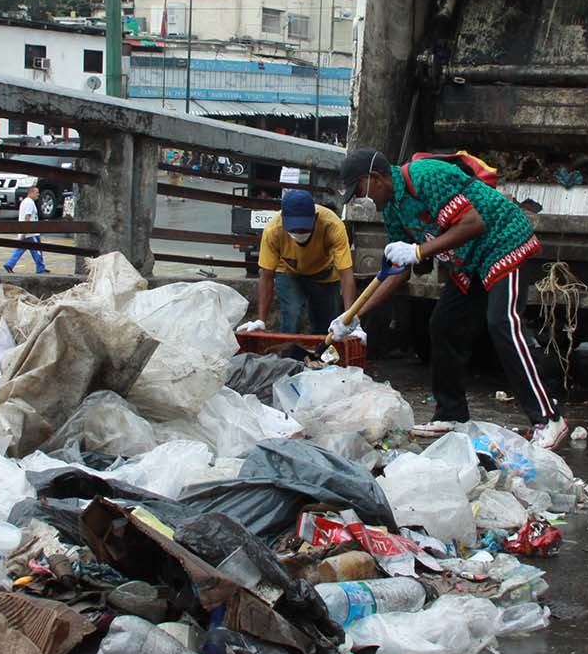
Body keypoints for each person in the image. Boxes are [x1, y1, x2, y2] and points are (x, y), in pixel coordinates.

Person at [336, 148, 569, 450]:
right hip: (468, 260)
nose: (362, 199)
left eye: (360, 191)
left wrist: (419, 251)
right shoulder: (394, 210)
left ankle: (549, 419)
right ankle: (452, 414)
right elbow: (400, 272)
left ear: (375, 178)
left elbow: (473, 224)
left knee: (502, 324)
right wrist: (354, 316)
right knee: (443, 324)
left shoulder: (424, 176)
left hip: (502, 240)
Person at [237, 189, 357, 336]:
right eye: (294, 228)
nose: (299, 232)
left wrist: (350, 318)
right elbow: (267, 276)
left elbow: (346, 273)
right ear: (283, 218)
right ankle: (287, 355)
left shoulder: (332, 226)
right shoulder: (273, 230)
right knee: (292, 315)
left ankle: (321, 357)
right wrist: (261, 320)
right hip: (288, 270)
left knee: (328, 325)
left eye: (304, 228)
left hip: (324, 271)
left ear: (315, 217)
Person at [5, 185, 48, 273]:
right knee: (37, 250)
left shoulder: (25, 202)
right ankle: (40, 268)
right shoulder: (29, 203)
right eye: (37, 193)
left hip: (25, 232)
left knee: (20, 249)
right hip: (31, 233)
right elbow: (27, 217)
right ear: (31, 192)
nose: (38, 195)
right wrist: (26, 231)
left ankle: (9, 264)